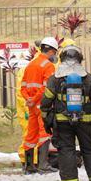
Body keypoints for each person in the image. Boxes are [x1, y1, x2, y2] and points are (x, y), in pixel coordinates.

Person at [40, 44, 91, 181]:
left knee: (66, 151)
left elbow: (45, 103)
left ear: (62, 59)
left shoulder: (55, 79)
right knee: (90, 150)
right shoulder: (88, 78)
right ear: (80, 59)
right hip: (86, 123)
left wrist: (47, 121)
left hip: (62, 123)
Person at [20, 36, 60, 173]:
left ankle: (29, 166)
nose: (55, 56)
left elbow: (23, 86)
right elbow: (47, 88)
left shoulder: (30, 64)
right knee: (44, 134)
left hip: (31, 106)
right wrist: (36, 99)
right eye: (55, 52)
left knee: (31, 135)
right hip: (42, 106)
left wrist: (29, 99)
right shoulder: (48, 66)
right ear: (51, 51)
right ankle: (43, 165)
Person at [12, 56, 31, 168]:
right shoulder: (24, 72)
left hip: (28, 109)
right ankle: (26, 161)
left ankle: (30, 160)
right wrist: (27, 110)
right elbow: (22, 94)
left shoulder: (24, 71)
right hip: (26, 111)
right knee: (28, 136)